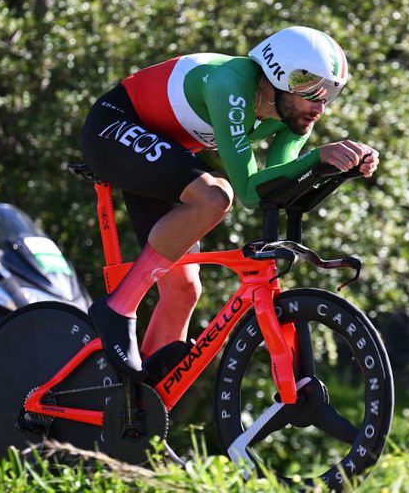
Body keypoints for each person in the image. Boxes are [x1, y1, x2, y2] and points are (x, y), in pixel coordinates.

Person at [82, 25, 379, 379]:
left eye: (332, 93)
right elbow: (250, 191)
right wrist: (318, 157)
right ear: (280, 75)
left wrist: (336, 168)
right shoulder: (231, 85)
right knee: (214, 196)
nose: (321, 105)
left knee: (183, 290)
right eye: (312, 88)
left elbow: (278, 182)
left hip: (163, 151)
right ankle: (117, 310)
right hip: (115, 124)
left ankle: (138, 405)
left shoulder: (294, 116)